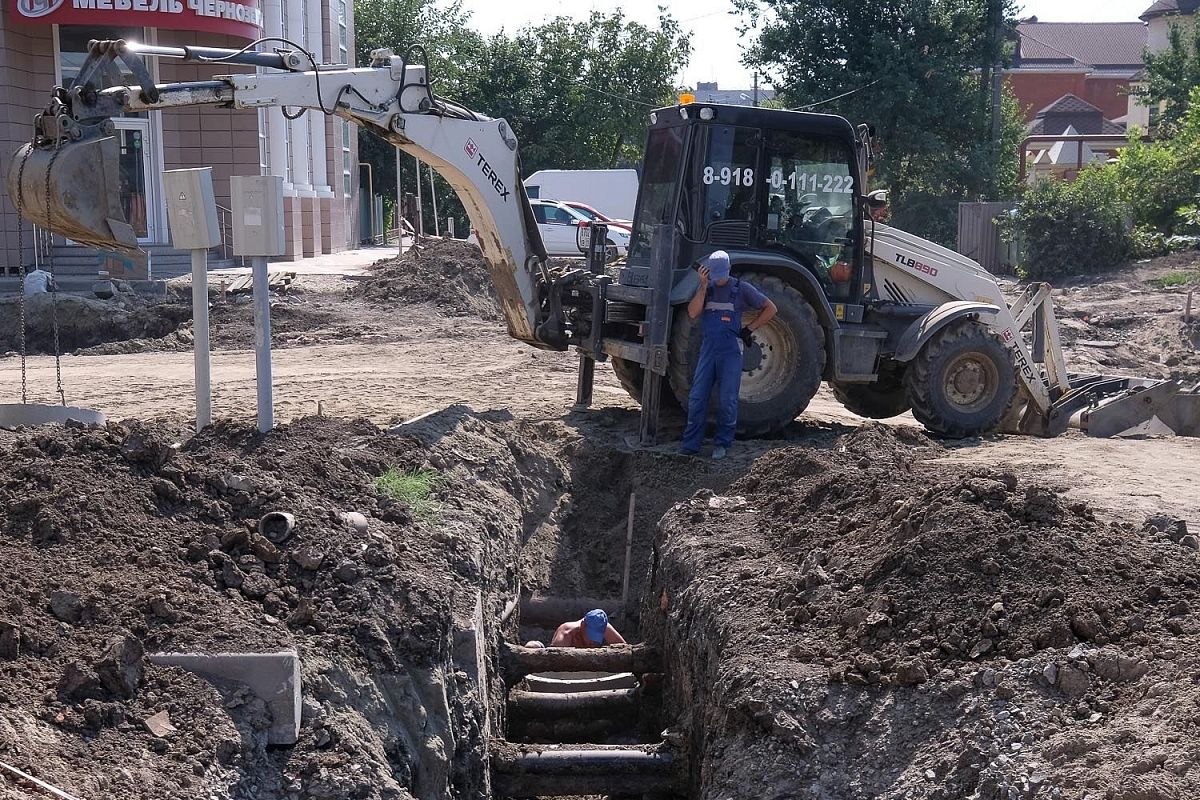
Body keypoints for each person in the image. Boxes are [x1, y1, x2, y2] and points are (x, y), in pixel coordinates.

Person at [679, 251, 777, 459]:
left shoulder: (741, 289)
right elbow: (693, 312)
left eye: (722, 275)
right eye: (716, 276)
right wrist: (703, 286)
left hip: (731, 352)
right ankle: (690, 445)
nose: (720, 279)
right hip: (709, 351)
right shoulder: (707, 288)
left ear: (729, 270)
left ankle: (722, 444)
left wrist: (750, 329)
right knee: (697, 398)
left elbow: (770, 308)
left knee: (727, 400)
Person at [550, 608, 626, 648]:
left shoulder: (601, 626)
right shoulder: (565, 635)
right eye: (591, 636)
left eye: (597, 637)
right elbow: (554, 662)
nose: (593, 642)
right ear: (583, 625)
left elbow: (624, 649)